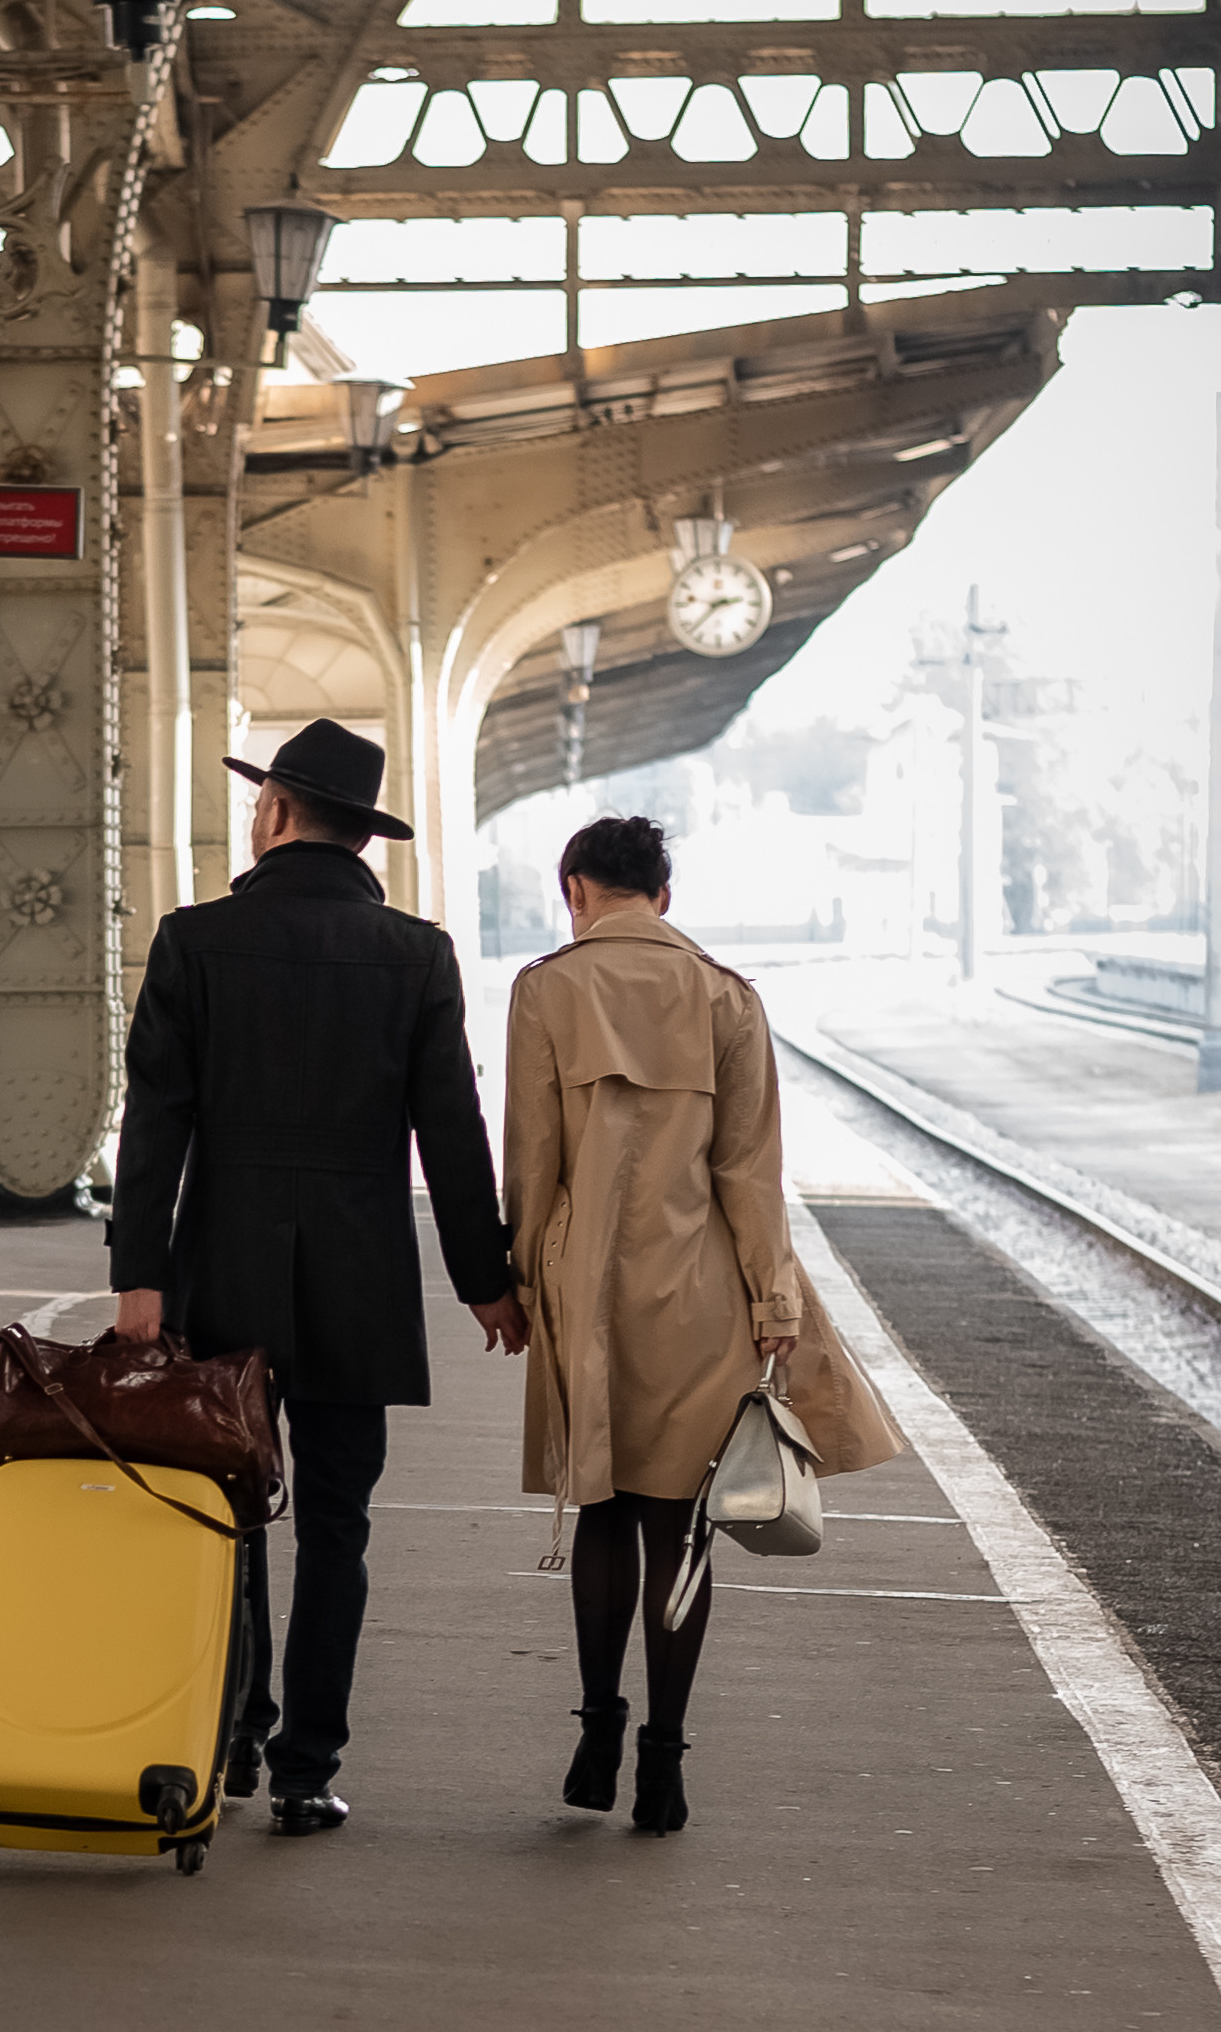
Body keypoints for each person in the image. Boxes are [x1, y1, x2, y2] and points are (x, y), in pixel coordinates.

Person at [110, 719, 523, 1836]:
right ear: (358, 835)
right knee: (337, 1523)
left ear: (279, 812)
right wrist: (484, 1279)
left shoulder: (192, 941)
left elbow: (157, 1120)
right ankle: (306, 1764)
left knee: (220, 1511)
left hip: (223, 1266)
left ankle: (231, 1728)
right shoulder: (415, 954)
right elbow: (450, 1128)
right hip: (357, 1273)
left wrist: (138, 1277)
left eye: (259, 800)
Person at [502, 812, 899, 1835]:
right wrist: (772, 1302)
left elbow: (532, 1158)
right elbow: (750, 1175)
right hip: (700, 1297)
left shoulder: (545, 989)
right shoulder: (728, 999)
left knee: (599, 1511)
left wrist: (516, 1288)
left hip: (585, 1293)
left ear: (574, 890)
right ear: (664, 897)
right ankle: (663, 1764)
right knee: (680, 1531)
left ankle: (595, 1726)